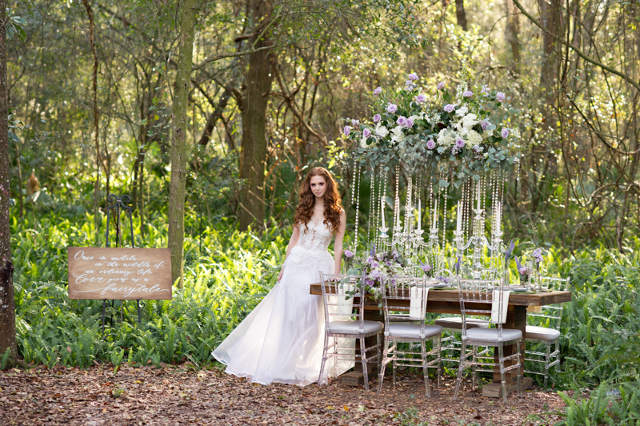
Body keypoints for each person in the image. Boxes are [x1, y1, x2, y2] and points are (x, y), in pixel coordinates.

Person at [212, 167, 352, 386]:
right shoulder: (303, 209)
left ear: (328, 185)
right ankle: (285, 362)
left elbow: (338, 244)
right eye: (313, 184)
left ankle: (307, 362)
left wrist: (336, 272)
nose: (316, 188)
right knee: (290, 313)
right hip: (296, 264)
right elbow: (293, 240)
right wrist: (284, 267)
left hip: (319, 265)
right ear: (309, 186)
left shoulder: (337, 212)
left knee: (313, 315)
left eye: (321, 184)